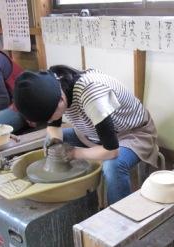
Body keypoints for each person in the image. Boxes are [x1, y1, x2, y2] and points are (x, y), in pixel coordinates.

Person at [13, 65, 159, 205]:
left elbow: (112, 151)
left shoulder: (91, 93)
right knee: (51, 144)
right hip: (94, 133)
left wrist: (74, 153)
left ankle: (120, 221)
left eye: (50, 117)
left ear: (60, 100)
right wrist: (55, 142)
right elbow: (54, 127)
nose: (50, 121)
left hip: (133, 134)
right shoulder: (54, 87)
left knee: (113, 166)